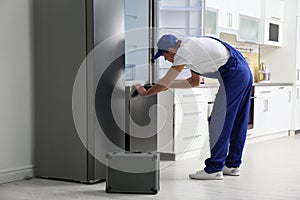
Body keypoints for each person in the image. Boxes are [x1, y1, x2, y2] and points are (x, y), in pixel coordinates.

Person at [134, 34, 253, 180]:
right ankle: (232, 165)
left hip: (233, 74)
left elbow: (165, 82)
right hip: (243, 71)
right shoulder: (191, 48)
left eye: (164, 55)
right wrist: (166, 85)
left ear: (171, 50)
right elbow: (193, 82)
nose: (166, 60)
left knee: (218, 122)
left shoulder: (184, 51)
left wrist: (146, 92)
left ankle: (214, 169)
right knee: (236, 121)